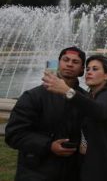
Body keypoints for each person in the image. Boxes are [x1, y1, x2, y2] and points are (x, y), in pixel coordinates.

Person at [5, 47, 87, 181]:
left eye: (75, 62)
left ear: (82, 70)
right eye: (65, 60)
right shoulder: (33, 96)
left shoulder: (85, 99)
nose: (70, 64)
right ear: (58, 63)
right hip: (36, 172)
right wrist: (49, 145)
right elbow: (14, 134)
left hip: (73, 173)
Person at [43, 55, 107, 181]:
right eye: (87, 69)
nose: (89, 72)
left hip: (104, 169)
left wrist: (67, 91)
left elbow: (99, 111)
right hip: (88, 165)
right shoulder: (91, 97)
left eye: (95, 69)